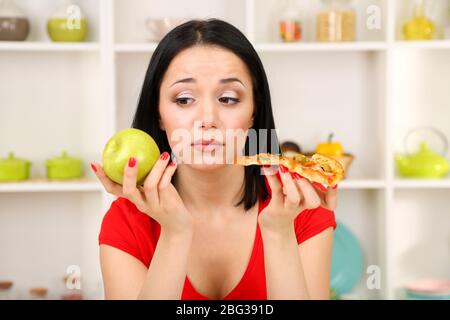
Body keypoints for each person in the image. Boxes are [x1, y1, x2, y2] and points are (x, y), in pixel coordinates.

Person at [90, 19, 338, 300]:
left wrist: (279, 234)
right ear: (158, 113)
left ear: (254, 111)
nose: (207, 119)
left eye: (228, 99)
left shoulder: (300, 208)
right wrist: (174, 234)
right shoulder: (127, 220)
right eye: (184, 100)